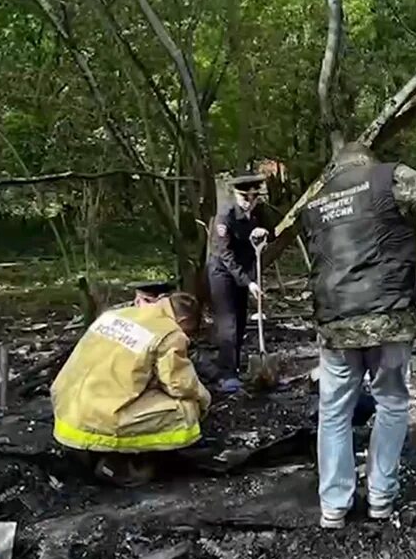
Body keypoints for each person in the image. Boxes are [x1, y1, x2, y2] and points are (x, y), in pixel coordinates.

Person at [300, 142, 416, 528]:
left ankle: (334, 507)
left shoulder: (315, 200)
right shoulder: (385, 178)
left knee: (334, 412)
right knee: (391, 403)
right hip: (389, 316)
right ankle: (380, 499)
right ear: (367, 161)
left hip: (336, 321)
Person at [51, 290, 212, 486]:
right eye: (189, 331)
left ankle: (87, 452)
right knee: (186, 410)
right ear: (184, 319)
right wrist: (204, 398)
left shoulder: (114, 315)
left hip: (67, 410)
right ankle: (120, 463)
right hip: (100, 418)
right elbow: (180, 384)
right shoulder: (168, 333)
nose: (188, 338)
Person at [208, 174, 276, 393]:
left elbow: (272, 234)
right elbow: (225, 255)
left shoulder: (259, 212)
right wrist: (249, 282)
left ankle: (235, 367)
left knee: (240, 320)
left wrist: (264, 233)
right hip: (223, 272)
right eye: (244, 196)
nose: (249, 201)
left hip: (244, 272)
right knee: (228, 322)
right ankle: (226, 374)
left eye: (254, 196)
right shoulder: (224, 217)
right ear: (236, 195)